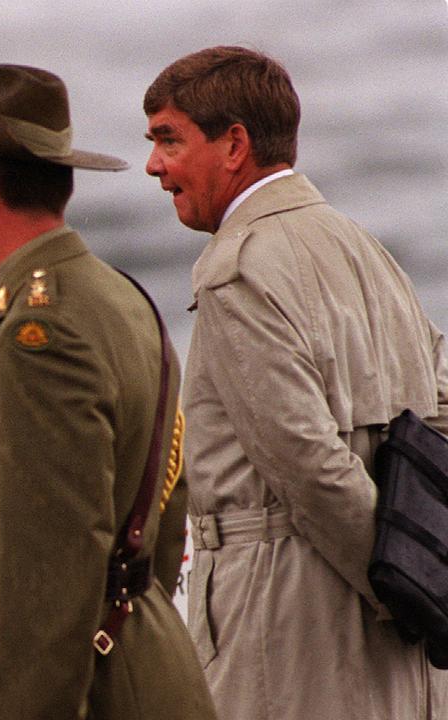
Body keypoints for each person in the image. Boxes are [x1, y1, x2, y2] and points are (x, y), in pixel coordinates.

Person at [0, 65, 217, 720]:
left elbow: (50, 592)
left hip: (96, 691)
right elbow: (166, 520)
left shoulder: (43, 330)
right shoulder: (116, 296)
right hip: (143, 656)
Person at [143, 45, 448, 719]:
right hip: (396, 649)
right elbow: (441, 409)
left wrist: (399, 585)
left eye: (169, 139)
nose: (154, 165)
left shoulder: (237, 272)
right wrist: (420, 576)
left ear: (234, 145)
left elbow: (305, 462)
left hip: (286, 635)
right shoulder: (366, 250)